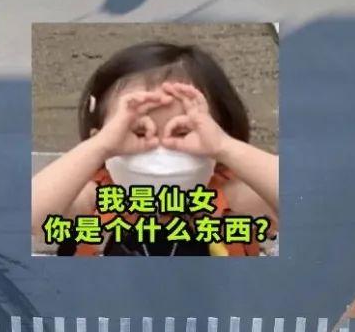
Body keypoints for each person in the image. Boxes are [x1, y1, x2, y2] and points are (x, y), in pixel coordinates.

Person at [31, 42, 280, 256]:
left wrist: (226, 147)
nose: (160, 151)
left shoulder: (232, 199)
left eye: (182, 132)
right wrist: (98, 147)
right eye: (138, 132)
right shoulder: (93, 199)